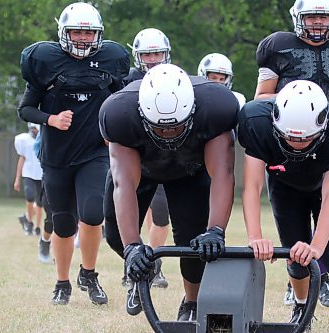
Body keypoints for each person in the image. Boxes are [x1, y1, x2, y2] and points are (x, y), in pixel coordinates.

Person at [100, 64, 238, 320]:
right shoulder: (118, 112)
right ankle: (145, 270)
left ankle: (192, 302)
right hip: (141, 167)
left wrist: (216, 230)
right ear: (142, 114)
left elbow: (223, 173)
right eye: (160, 128)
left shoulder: (216, 106)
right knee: (117, 237)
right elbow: (124, 183)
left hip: (190, 169)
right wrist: (132, 246)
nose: (168, 133)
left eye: (176, 126)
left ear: (193, 110)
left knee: (197, 244)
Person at [254, 0, 329, 308]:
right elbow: (262, 97)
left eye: (323, 16)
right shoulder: (278, 47)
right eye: (311, 16)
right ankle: (305, 295)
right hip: (288, 148)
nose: (318, 22)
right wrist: (300, 103)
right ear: (297, 18)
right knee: (295, 247)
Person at [17, 2, 130, 305]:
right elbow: (25, 108)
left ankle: (89, 274)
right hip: (56, 156)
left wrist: (114, 131)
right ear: (64, 32)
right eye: (77, 31)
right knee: (64, 223)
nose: (82, 38)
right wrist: (50, 119)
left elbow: (123, 99)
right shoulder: (45, 61)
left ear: (98, 35)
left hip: (94, 152)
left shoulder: (111, 59)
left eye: (88, 32)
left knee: (93, 214)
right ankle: (62, 282)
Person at [238, 80, 329, 324]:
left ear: (324, 125)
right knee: (295, 257)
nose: (296, 144)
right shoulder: (256, 121)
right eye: (288, 138)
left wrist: (316, 248)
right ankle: (301, 306)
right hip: (285, 185)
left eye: (305, 139)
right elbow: (252, 187)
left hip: (324, 187)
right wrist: (255, 237)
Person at [107, 27, 172, 290]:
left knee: (161, 213)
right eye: (148, 54)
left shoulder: (174, 78)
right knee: (116, 224)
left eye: (157, 53)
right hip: (131, 157)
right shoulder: (126, 80)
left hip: (167, 158)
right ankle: (134, 262)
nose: (154, 59)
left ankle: (154, 265)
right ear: (137, 56)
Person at [14, 123, 43, 236]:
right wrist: (17, 178)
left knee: (40, 203)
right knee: (30, 197)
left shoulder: (44, 139)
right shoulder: (24, 140)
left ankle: (36, 226)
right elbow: (22, 159)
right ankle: (29, 222)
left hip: (41, 174)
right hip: (28, 174)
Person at [33, 130, 54, 264]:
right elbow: (37, 148)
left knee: (69, 219)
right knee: (52, 218)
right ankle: (45, 241)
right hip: (54, 173)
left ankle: (60, 253)